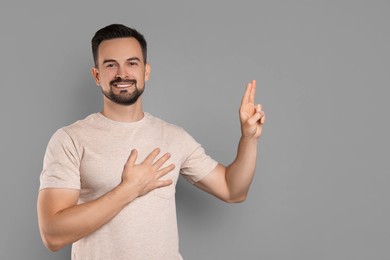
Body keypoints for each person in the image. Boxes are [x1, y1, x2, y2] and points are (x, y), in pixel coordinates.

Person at [37, 24, 266, 260]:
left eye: (132, 63)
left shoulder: (174, 137)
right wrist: (129, 190)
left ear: (146, 71)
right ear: (97, 75)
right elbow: (52, 235)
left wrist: (248, 139)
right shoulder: (70, 139)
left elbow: (233, 190)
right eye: (110, 64)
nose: (122, 73)